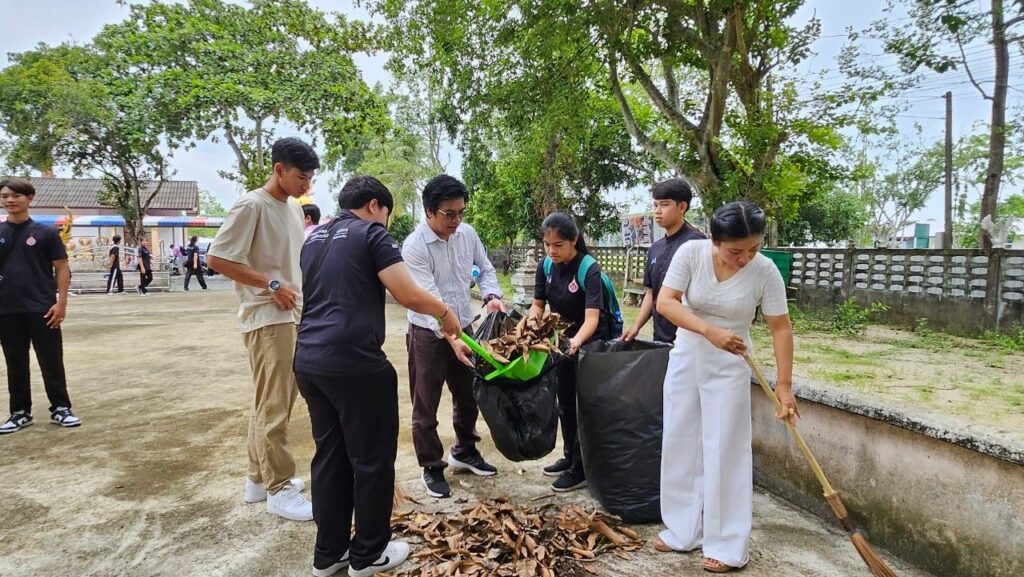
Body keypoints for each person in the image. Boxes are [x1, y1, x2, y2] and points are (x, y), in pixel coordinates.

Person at [296, 175, 467, 577]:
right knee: (372, 460)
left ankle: (329, 554)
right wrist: (444, 313)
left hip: (308, 361)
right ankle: (369, 553)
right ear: (376, 205)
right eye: (386, 214)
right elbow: (406, 293)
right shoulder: (372, 234)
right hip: (355, 363)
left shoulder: (314, 238)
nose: (385, 221)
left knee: (330, 458)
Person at [654, 201, 798, 573]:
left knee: (725, 448)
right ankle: (682, 529)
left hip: (731, 362)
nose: (746, 258)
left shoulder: (765, 272)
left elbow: (780, 327)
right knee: (680, 439)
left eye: (753, 248)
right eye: (736, 250)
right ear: (714, 240)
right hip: (688, 353)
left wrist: (784, 385)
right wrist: (707, 331)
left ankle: (728, 543)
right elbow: (665, 303)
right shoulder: (691, 253)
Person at [206, 137, 318, 522]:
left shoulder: (289, 209)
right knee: (274, 405)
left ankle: (258, 479)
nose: (307, 185)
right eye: (302, 177)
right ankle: (279, 488)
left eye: (310, 178)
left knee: (272, 402)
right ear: (279, 170)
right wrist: (269, 285)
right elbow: (217, 257)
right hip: (266, 318)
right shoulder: (252, 205)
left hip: (290, 316)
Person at [402, 174, 505, 499]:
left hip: (465, 327)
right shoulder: (414, 247)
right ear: (429, 212)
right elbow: (429, 299)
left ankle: (465, 451)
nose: (457, 221)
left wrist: (490, 296)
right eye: (449, 214)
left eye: (461, 212)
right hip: (427, 333)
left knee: (470, 394)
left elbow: (486, 268)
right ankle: (432, 465)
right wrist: (451, 337)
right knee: (426, 403)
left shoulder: (467, 234)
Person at [529, 212, 616, 493]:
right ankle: (570, 457)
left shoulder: (588, 268)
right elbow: (538, 304)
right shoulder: (546, 266)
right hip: (561, 344)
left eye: (558, 245)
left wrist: (576, 342)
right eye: (546, 244)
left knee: (584, 407)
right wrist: (532, 322)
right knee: (564, 402)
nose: (551, 251)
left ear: (574, 241)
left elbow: (592, 318)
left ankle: (582, 467)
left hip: (589, 345)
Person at [0, 178, 81, 434]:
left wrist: (61, 303)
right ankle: (20, 412)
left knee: (51, 360)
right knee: (15, 362)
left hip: (43, 309)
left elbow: (61, 268)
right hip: (7, 310)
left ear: (30, 198)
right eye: (4, 196)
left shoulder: (46, 233)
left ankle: (60, 408)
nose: (10, 200)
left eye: (16, 196)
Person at [622, 178, 705, 343]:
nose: (657, 211)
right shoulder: (655, 248)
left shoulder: (698, 244)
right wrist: (636, 326)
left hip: (690, 338)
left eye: (665, 205)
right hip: (660, 337)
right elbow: (652, 292)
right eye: (655, 205)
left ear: (682, 207)